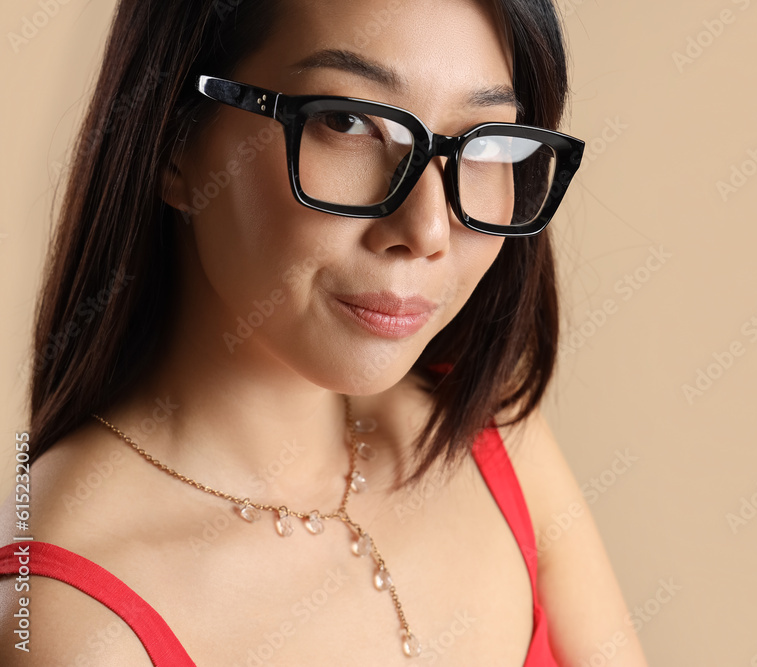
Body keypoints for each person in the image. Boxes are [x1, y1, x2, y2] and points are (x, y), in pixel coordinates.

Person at [0, 0, 648, 664]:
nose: (425, 230)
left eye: (485, 142)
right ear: (174, 138)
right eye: (347, 121)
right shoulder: (69, 619)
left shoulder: (488, 433)